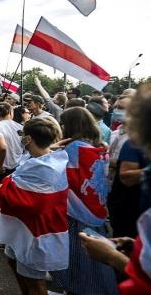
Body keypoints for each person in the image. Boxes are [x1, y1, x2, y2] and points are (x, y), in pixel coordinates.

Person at [75, 85, 151, 294]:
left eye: (126, 109)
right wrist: (135, 244)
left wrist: (112, 257)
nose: (116, 111)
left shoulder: (132, 145)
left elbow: (144, 279)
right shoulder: (121, 137)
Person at [0, 118, 70, 295]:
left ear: (28, 139)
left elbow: (18, 194)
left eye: (22, 135)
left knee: (34, 283)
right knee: (15, 265)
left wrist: (0, 189)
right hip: (24, 230)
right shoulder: (49, 159)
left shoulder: (43, 168)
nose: (20, 138)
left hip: (34, 233)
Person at [50, 107, 118, 295]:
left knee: (77, 257)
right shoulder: (99, 144)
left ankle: (75, 289)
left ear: (71, 125)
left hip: (77, 210)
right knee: (94, 259)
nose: (61, 126)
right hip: (95, 206)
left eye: (63, 123)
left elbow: (51, 161)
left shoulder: (73, 148)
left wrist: (55, 147)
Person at [0, 102, 24, 250]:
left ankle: (5, 240)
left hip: (3, 171)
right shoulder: (20, 127)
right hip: (18, 168)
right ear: (10, 112)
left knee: (1, 205)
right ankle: (15, 237)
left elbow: (2, 147)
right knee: (14, 204)